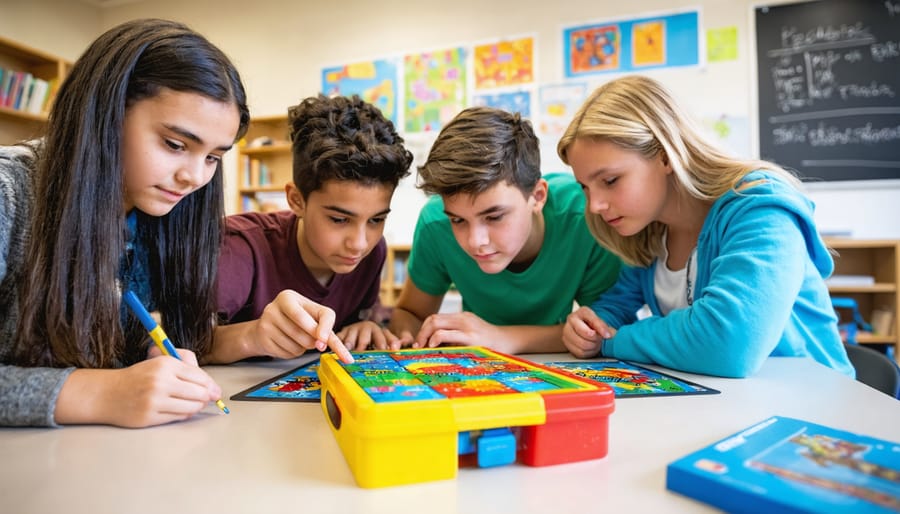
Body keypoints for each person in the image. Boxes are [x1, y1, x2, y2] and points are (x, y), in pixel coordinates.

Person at [0, 19, 251, 428]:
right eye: (174, 145)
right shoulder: (8, 192)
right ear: (104, 115)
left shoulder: (160, 212)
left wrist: (150, 357)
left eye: (213, 157)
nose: (195, 177)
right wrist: (103, 393)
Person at [558, 75, 854, 378]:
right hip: (726, 404)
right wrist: (587, 328)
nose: (594, 205)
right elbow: (614, 308)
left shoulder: (761, 208)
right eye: (585, 187)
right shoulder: (650, 229)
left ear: (664, 155)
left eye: (610, 181)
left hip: (814, 408)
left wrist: (610, 343)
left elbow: (728, 345)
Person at [387, 106, 622, 354]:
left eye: (494, 216)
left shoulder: (586, 215)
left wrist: (504, 338)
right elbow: (409, 314)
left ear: (537, 196)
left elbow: (605, 330)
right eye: (458, 221)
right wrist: (407, 336)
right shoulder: (436, 223)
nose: (475, 241)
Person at [213, 95, 412, 362]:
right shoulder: (239, 246)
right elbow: (173, 342)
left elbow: (362, 318)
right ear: (296, 200)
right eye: (340, 220)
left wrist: (365, 328)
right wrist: (252, 336)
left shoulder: (372, 255)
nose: (360, 243)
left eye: (376, 220)